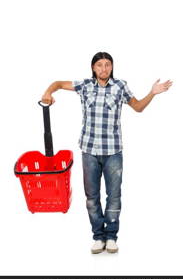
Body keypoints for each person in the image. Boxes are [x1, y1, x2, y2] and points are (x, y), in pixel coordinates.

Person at [41, 52, 172, 254]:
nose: (104, 68)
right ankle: (98, 237)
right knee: (92, 197)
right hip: (89, 151)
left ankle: (111, 237)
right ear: (93, 68)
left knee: (114, 196)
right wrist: (48, 93)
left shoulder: (120, 86)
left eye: (108, 65)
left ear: (112, 67)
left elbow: (137, 107)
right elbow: (57, 83)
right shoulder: (84, 85)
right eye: (100, 65)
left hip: (113, 152)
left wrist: (152, 93)